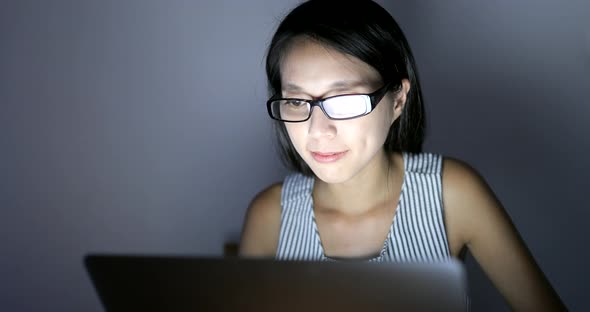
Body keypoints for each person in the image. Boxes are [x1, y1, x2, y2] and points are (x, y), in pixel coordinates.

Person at [239, 0, 566, 310]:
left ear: (398, 100)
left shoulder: (452, 194)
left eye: (345, 101)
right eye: (297, 102)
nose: (318, 130)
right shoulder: (270, 217)